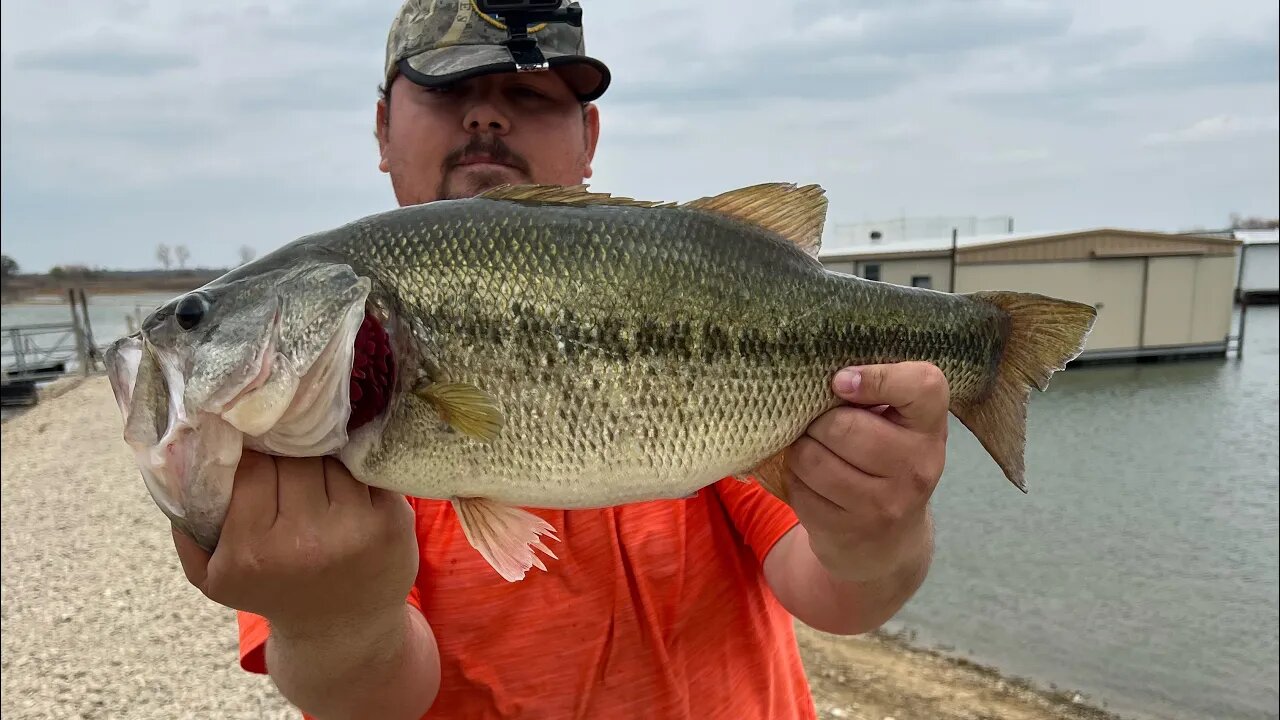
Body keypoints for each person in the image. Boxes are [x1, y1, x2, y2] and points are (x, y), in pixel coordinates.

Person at [170, 2, 951, 718]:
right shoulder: (298, 428)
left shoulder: (681, 290)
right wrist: (334, 618)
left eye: (532, 94)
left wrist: (882, 538)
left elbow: (839, 597)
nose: (485, 114)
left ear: (591, 140)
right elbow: (370, 701)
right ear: (382, 128)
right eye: (449, 90)